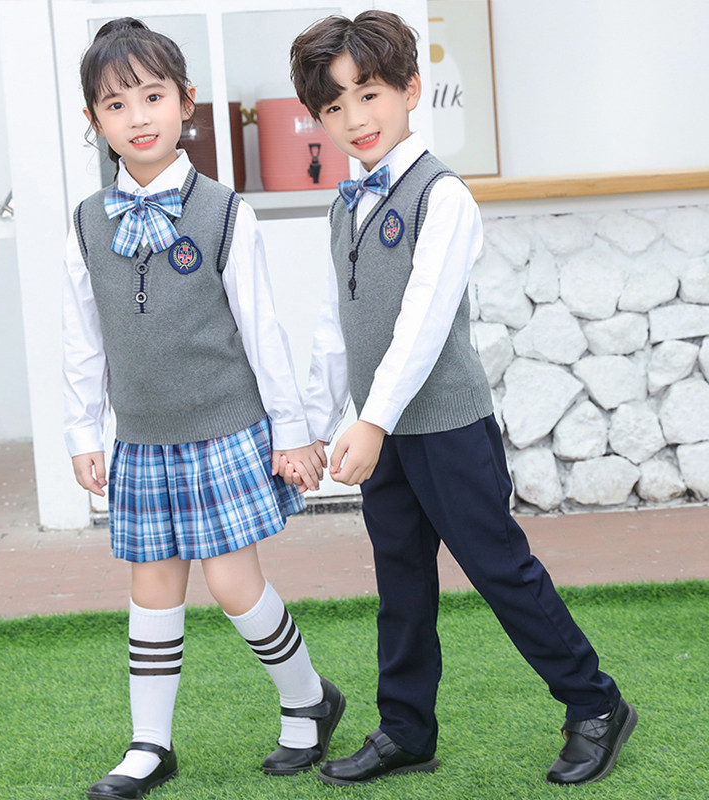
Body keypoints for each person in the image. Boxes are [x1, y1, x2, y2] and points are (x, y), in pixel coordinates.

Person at [286, 10, 636, 788]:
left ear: (410, 90)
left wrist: (370, 421)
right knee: (400, 584)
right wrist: (312, 427)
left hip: (445, 427)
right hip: (382, 435)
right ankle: (406, 730)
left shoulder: (442, 197)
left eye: (369, 95)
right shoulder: (345, 206)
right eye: (335, 106)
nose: (355, 118)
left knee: (500, 569)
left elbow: (422, 323)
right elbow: (334, 327)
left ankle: (596, 705)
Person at [62, 18, 344, 800]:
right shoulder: (85, 223)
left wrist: (292, 433)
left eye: (153, 96)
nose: (138, 117)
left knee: (231, 585)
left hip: (224, 431)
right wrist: (83, 432)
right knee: (152, 589)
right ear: (94, 120)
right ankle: (149, 746)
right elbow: (82, 338)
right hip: (142, 441)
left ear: (185, 102)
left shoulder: (222, 211)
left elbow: (262, 330)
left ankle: (308, 700)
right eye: (116, 104)